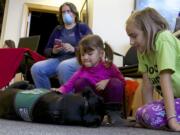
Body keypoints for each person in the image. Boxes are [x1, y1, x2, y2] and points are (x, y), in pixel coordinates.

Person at [126, 7, 180, 131]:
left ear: (148, 30)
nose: (131, 42)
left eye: (134, 36)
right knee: (141, 113)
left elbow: (165, 80)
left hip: (176, 98)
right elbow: (146, 85)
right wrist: (145, 113)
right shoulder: (143, 51)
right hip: (176, 99)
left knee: (152, 116)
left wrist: (172, 121)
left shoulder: (164, 39)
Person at [53, 34, 126, 123]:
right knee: (79, 82)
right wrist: (58, 91)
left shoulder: (109, 66)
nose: (85, 57)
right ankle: (86, 111)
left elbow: (123, 82)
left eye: (90, 54)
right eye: (83, 55)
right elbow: (68, 85)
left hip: (109, 102)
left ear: (101, 54)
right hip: (93, 105)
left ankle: (114, 114)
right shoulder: (81, 71)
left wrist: (108, 81)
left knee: (116, 82)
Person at [31, 2, 92, 89]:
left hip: (78, 59)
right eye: (63, 12)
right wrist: (53, 51)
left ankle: (69, 98)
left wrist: (74, 49)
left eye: (68, 11)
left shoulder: (82, 27)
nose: (66, 14)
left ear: (74, 14)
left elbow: (90, 45)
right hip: (59, 59)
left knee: (63, 66)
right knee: (36, 68)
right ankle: (46, 98)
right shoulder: (58, 29)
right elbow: (46, 50)